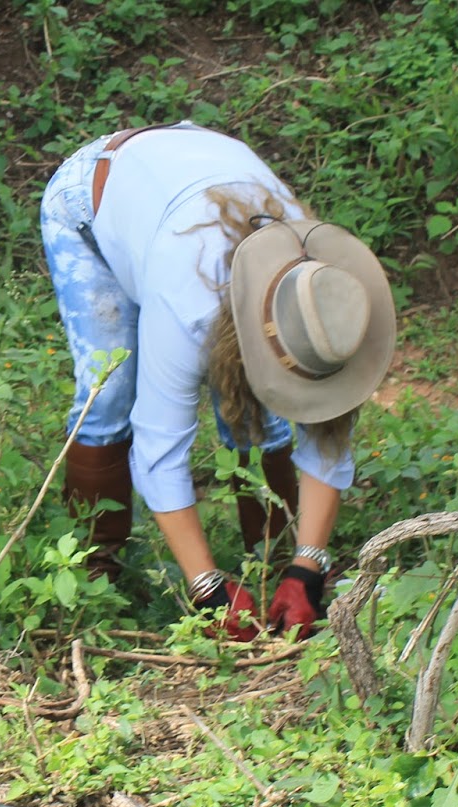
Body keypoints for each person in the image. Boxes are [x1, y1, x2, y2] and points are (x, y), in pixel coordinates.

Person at [40, 121, 396, 641]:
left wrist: (307, 568)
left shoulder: (327, 292)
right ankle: (95, 573)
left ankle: (273, 555)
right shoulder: (188, 306)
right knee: (108, 391)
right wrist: (208, 587)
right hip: (94, 196)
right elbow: (160, 447)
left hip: (196, 174)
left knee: (264, 406)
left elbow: (328, 432)